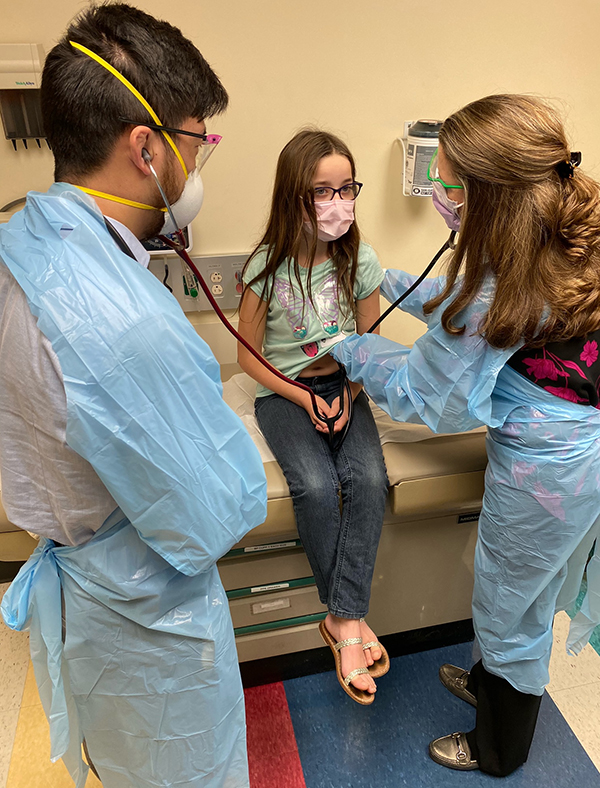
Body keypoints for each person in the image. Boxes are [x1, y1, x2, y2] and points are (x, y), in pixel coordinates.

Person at [0, 5, 267, 787]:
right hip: (154, 623)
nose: (198, 163)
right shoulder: (124, 322)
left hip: (85, 593)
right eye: (195, 141)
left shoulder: (20, 239)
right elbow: (215, 511)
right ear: (145, 147)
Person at [331, 94, 600, 774]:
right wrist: (384, 279)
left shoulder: (493, 287)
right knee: (517, 591)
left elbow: (431, 393)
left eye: (447, 185)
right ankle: (489, 687)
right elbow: (473, 302)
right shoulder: (557, 227)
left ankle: (496, 750)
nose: (439, 197)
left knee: (512, 606)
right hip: (573, 453)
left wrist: (351, 347)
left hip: (551, 468)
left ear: (489, 196)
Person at [237, 129, 390, 705]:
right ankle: (350, 622)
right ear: (292, 198)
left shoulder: (362, 261)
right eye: (321, 191)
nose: (337, 203)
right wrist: (303, 399)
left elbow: (370, 344)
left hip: (346, 384)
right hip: (284, 391)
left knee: (370, 480)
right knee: (317, 487)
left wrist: (348, 393)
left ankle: (340, 621)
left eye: (345, 188)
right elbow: (245, 354)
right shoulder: (265, 267)